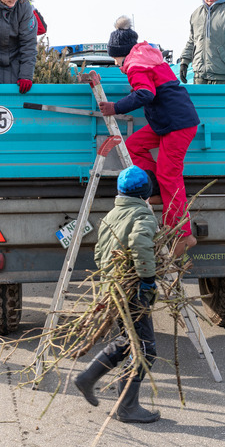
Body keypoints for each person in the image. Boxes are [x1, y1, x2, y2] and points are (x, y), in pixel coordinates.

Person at [99, 16, 200, 254]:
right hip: (166, 122)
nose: (116, 63)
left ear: (121, 52)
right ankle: (155, 190)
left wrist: (116, 107)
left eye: (115, 58)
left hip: (177, 124)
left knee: (169, 174)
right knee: (133, 145)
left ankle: (181, 234)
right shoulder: (148, 57)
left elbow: (145, 94)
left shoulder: (136, 65)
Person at [73, 165, 161, 423]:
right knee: (145, 349)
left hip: (115, 288)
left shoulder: (111, 215)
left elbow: (100, 253)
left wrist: (110, 281)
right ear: (147, 192)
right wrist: (146, 280)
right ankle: (126, 406)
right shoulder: (144, 215)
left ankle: (87, 378)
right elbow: (140, 243)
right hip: (132, 291)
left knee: (127, 341)